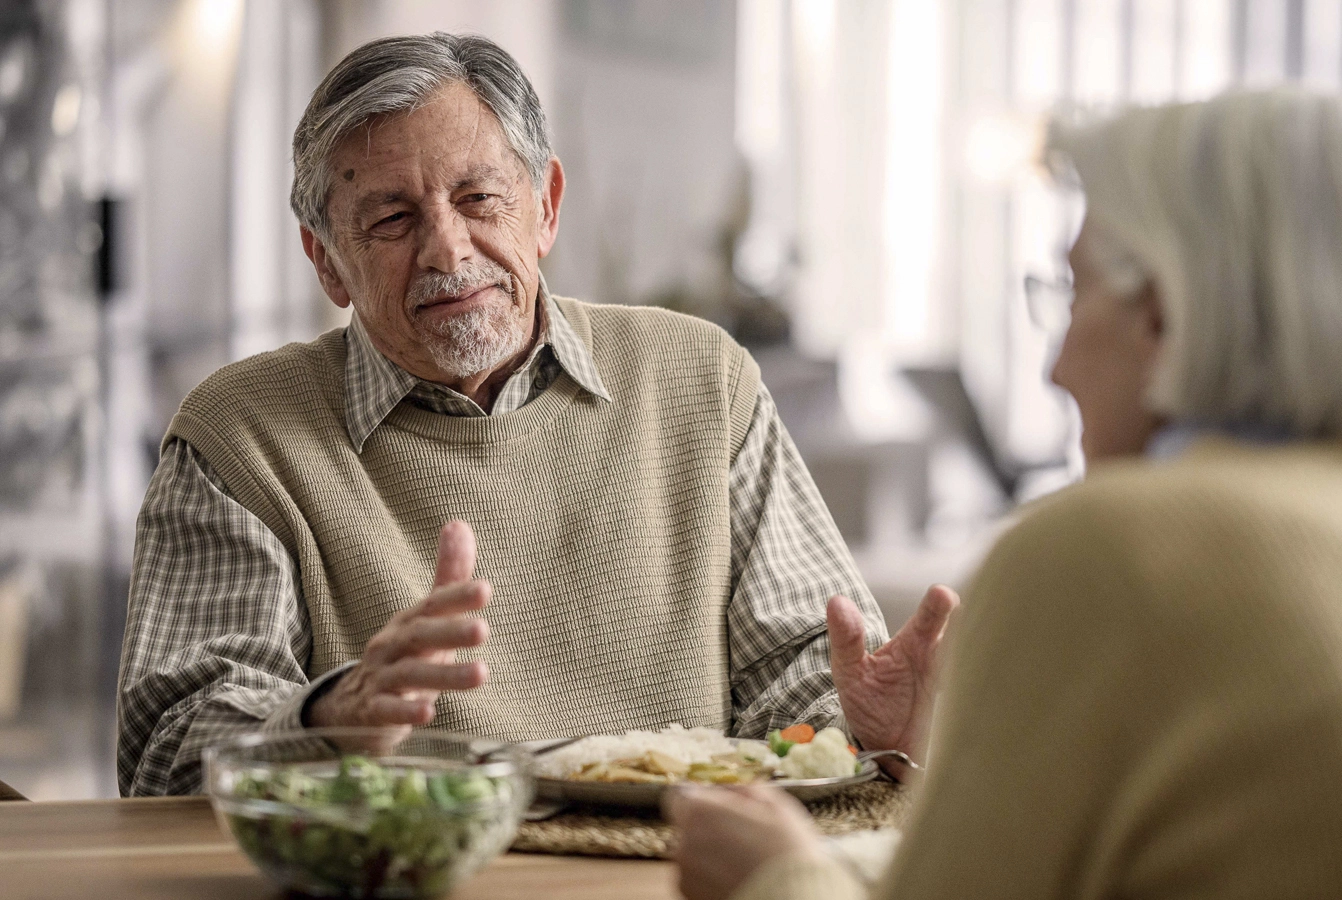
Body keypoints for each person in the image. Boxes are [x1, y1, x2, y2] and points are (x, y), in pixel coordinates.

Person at [668, 90, 1342, 900]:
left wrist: (778, 881)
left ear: (1164, 313)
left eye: (1070, 296)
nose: (1057, 363)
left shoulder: (1111, 548)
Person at [116, 33, 956, 797]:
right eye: (392, 218)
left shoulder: (702, 381)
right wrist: (329, 718)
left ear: (546, 204)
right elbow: (166, 757)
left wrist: (862, 735)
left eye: (480, 197)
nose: (447, 248)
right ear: (327, 261)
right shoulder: (243, 433)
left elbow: (800, 677)